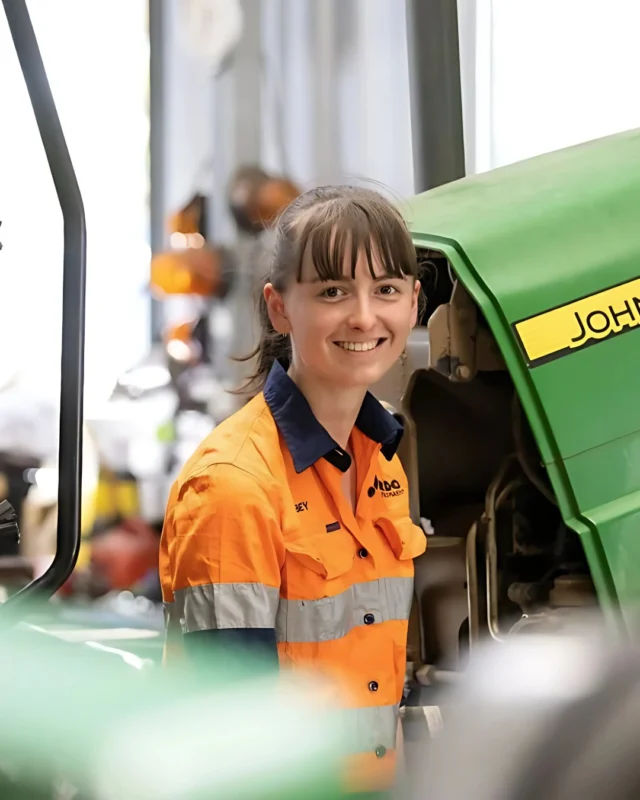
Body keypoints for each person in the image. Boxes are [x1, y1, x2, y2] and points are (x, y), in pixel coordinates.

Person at [159, 185, 427, 793]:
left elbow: (378, 696)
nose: (364, 316)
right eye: (333, 291)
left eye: (385, 289)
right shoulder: (233, 486)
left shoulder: (381, 462)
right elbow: (231, 736)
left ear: (413, 303)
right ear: (280, 308)